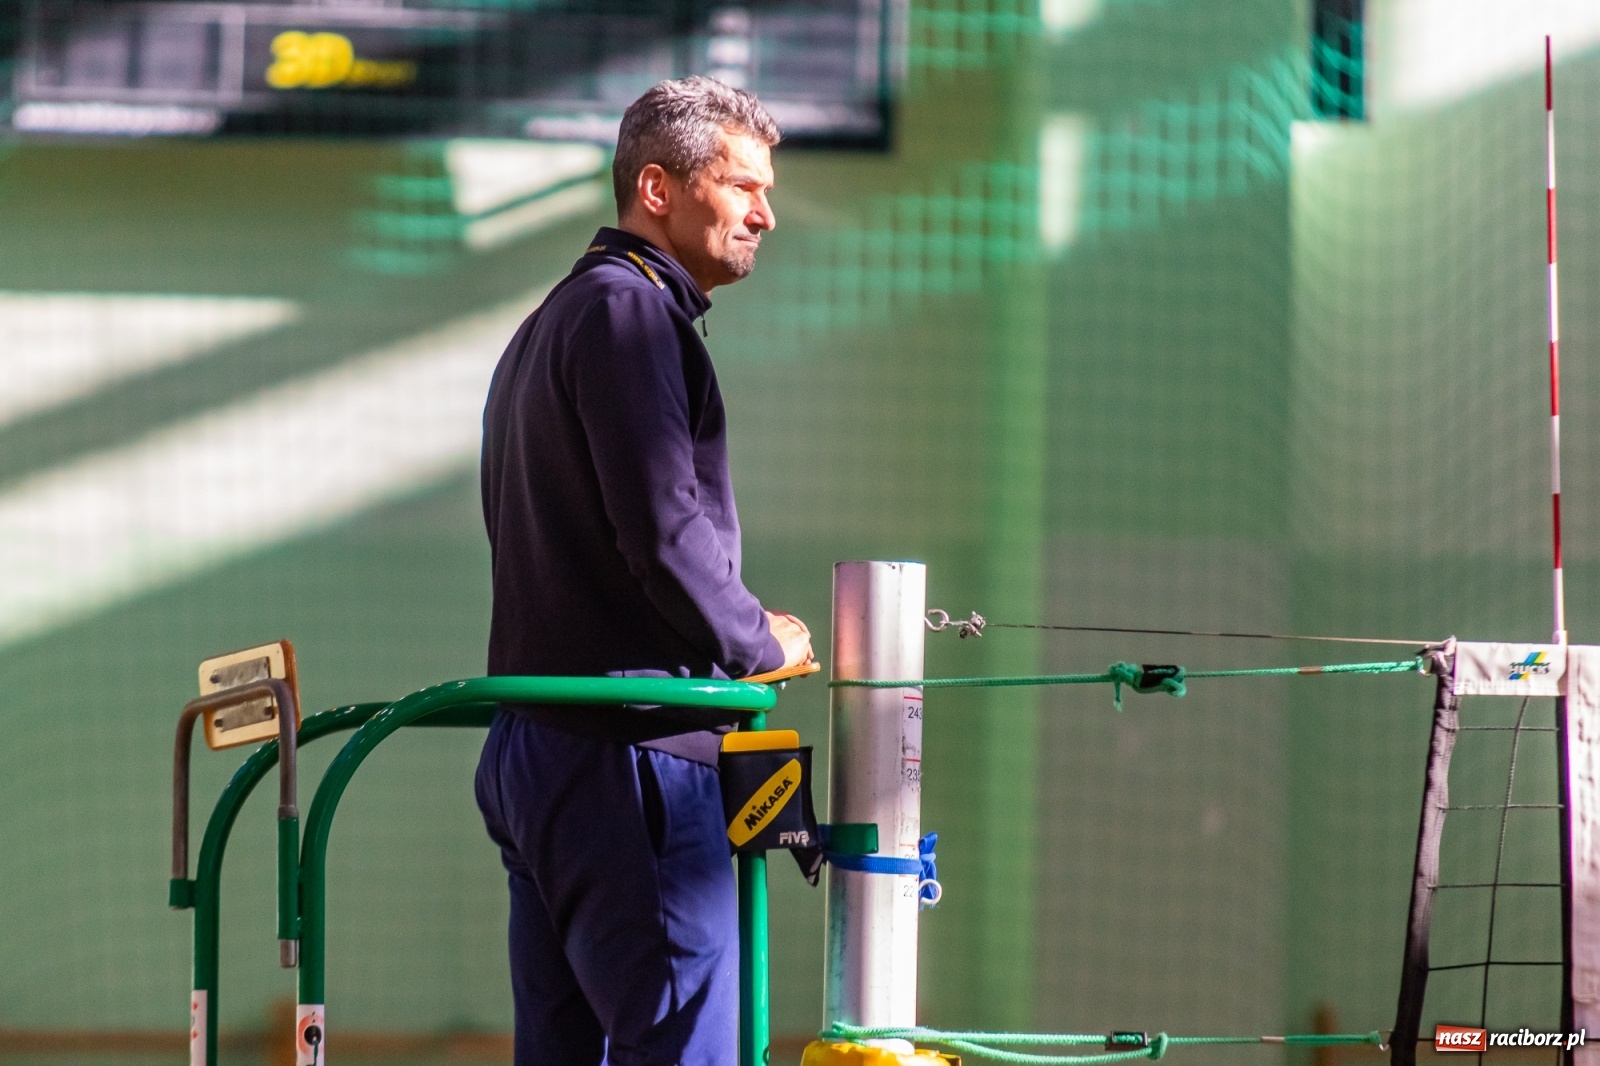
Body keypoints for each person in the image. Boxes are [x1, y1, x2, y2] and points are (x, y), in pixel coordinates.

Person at [474, 76, 813, 1066]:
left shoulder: (547, 326)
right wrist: (756, 643)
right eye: (742, 185)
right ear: (657, 188)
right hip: (630, 757)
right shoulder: (626, 316)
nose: (766, 213)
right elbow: (664, 532)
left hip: (542, 750)